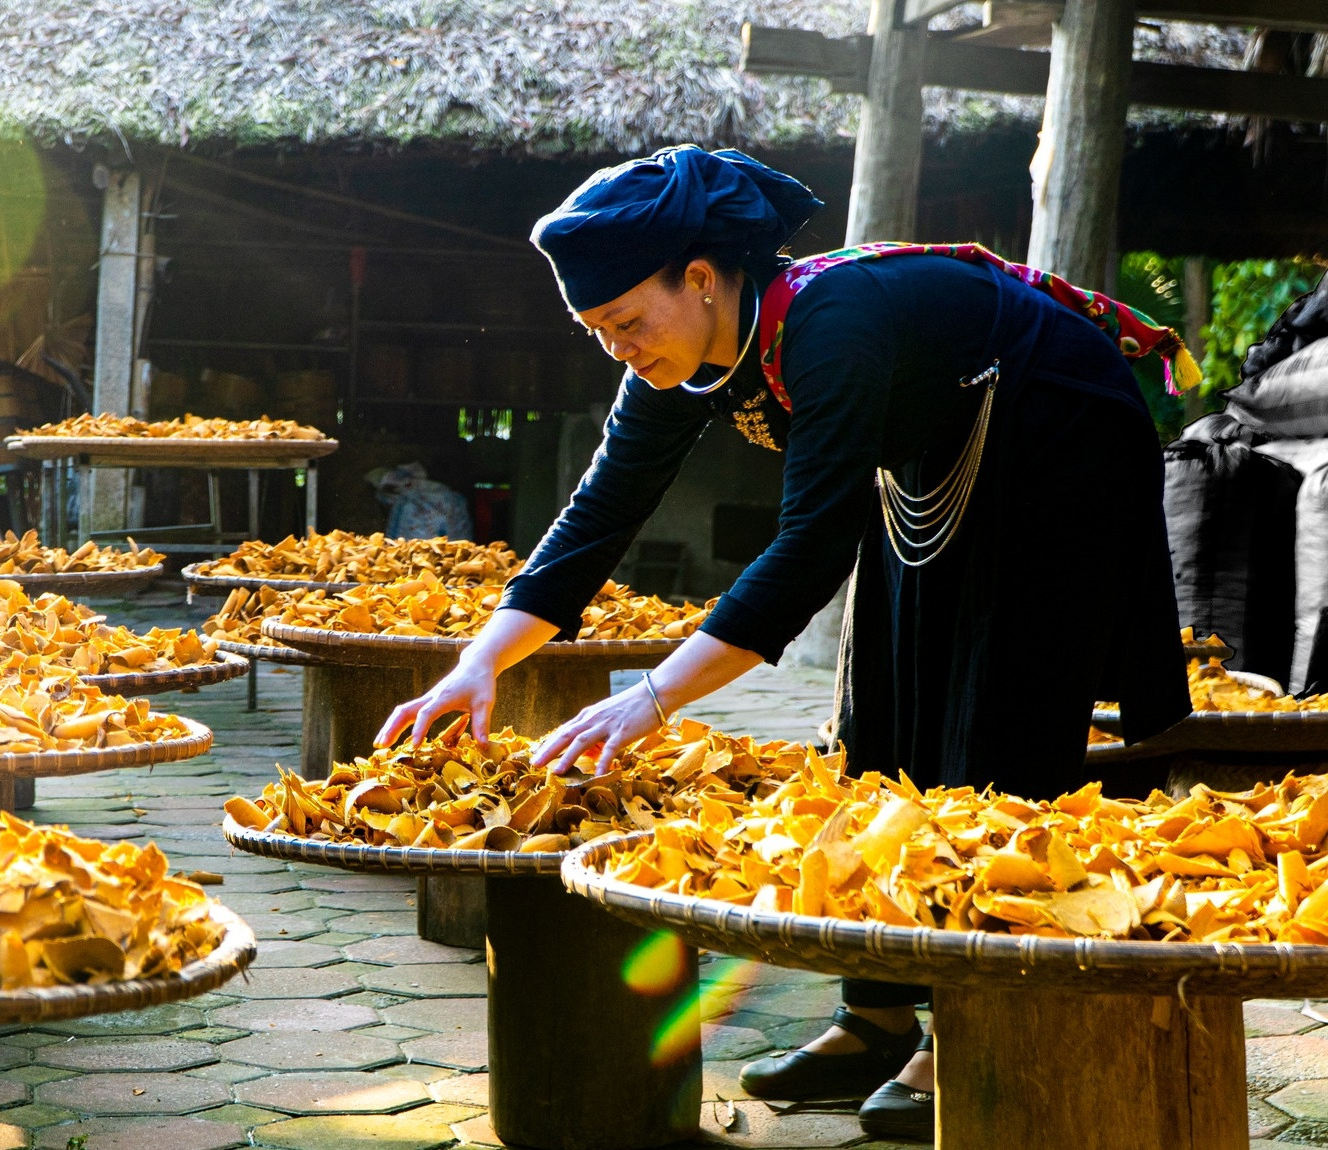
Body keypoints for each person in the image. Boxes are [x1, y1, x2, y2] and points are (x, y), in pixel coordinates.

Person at [376, 145, 1192, 1141]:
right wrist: (479, 662)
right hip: (941, 441)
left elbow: (808, 548)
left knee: (991, 721)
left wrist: (651, 697)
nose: (617, 349)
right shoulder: (669, 363)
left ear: (705, 280)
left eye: (627, 321)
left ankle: (968, 1020)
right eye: (596, 333)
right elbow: (598, 514)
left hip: (1054, 418)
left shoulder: (827, 325)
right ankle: (876, 1012)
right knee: (877, 717)